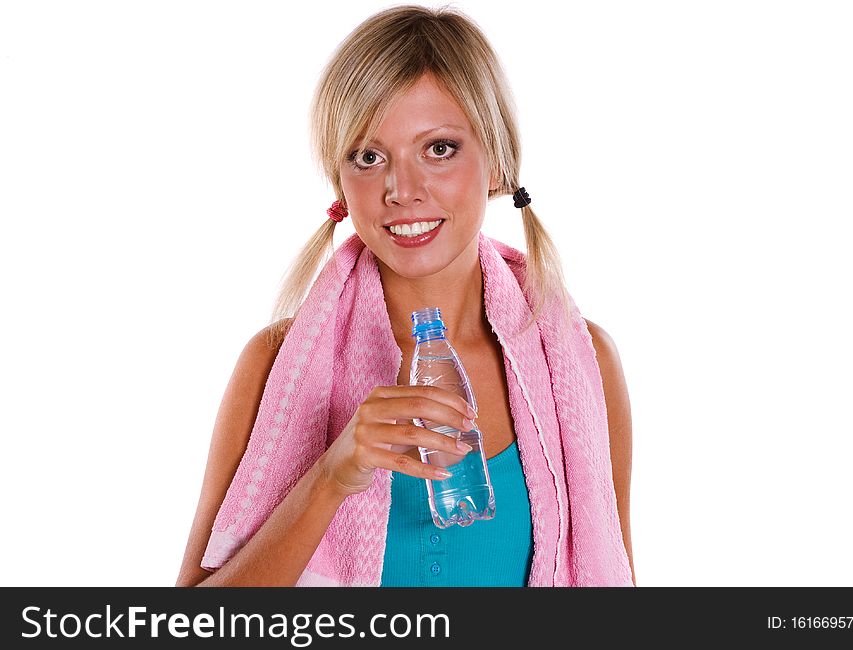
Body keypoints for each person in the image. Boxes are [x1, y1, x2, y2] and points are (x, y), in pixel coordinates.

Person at [176, 4, 635, 587]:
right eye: (369, 157)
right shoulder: (272, 365)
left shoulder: (585, 361)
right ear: (340, 183)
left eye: (438, 148)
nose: (401, 190)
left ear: (496, 161)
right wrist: (331, 477)